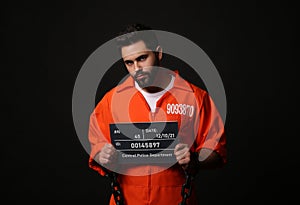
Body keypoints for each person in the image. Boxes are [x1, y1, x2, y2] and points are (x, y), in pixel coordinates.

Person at [88, 23, 227, 205]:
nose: (137, 68)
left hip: (175, 199)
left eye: (142, 58)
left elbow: (217, 151)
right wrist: (102, 155)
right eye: (129, 63)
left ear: (158, 53)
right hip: (128, 199)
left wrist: (194, 159)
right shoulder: (110, 101)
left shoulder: (195, 97)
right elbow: (97, 149)